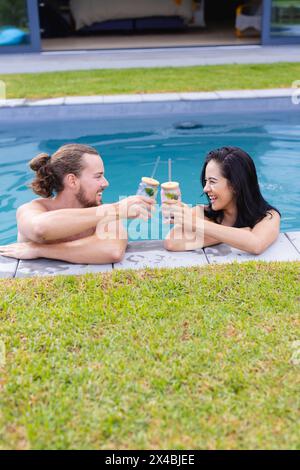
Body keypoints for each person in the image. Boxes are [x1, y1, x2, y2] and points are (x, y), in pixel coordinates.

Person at [0, 144, 154, 264]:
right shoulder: (33, 209)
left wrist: (39, 250)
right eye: (98, 176)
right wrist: (117, 208)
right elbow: (40, 229)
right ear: (72, 181)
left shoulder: (103, 211)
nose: (106, 183)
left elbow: (111, 250)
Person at [163, 146, 281, 255]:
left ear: (235, 185)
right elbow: (172, 242)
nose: (205, 188)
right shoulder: (203, 213)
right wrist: (240, 233)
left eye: (212, 181)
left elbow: (256, 245)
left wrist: (196, 224)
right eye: (206, 181)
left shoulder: (268, 216)